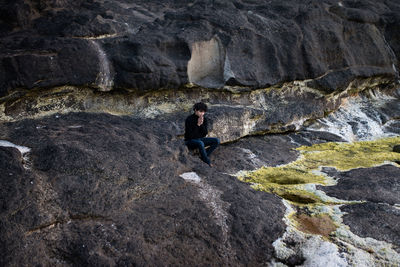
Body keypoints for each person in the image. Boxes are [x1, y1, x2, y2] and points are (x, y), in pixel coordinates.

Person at [184, 102, 220, 166]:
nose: (202, 113)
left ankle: (203, 155)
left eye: (204, 112)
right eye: (200, 111)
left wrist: (201, 124)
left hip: (199, 139)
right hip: (189, 141)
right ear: (195, 110)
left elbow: (204, 134)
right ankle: (207, 160)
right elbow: (190, 136)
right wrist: (197, 125)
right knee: (200, 143)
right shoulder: (189, 119)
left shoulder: (204, 119)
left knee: (216, 141)